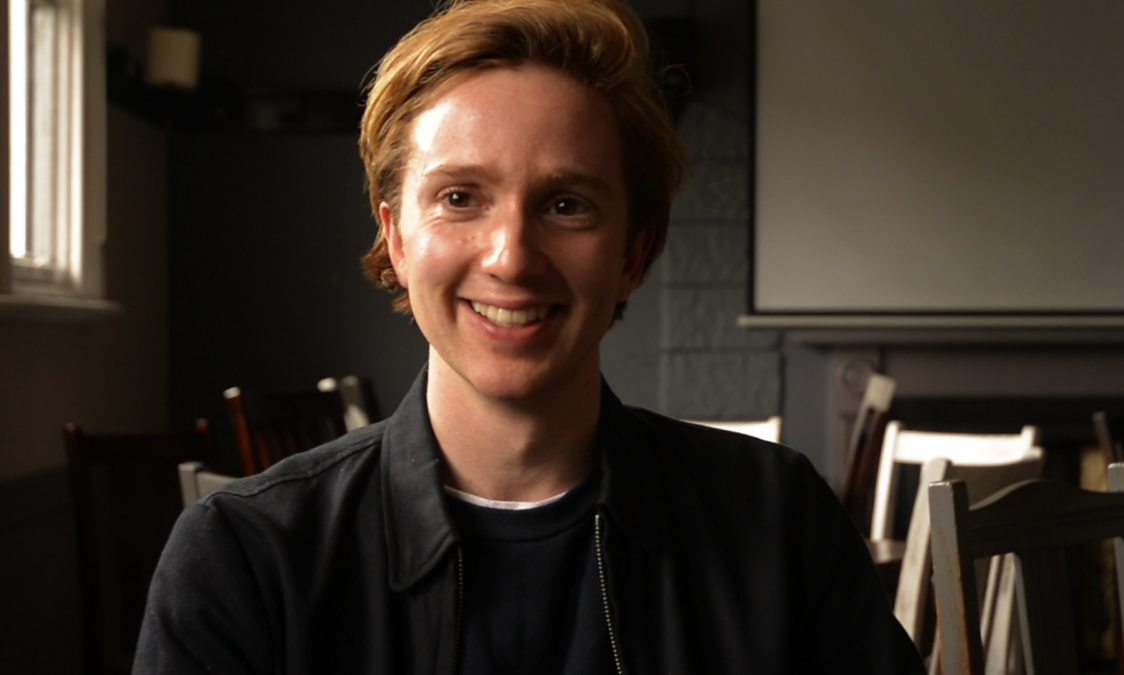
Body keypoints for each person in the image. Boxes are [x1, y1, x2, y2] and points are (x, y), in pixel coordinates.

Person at [134, 0, 925, 673]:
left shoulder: (780, 522)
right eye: (460, 197)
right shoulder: (244, 554)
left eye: (566, 205)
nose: (511, 257)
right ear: (398, 239)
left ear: (634, 253)